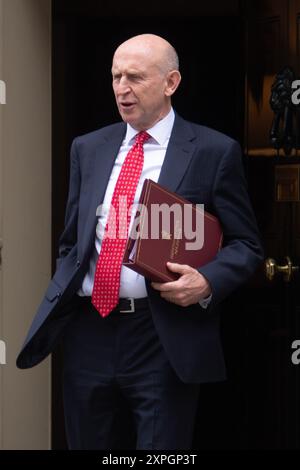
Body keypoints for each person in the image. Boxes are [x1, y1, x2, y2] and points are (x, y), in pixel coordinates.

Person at [17, 33, 263, 450]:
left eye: (134, 77)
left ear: (171, 82)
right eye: (115, 77)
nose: (121, 89)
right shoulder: (88, 148)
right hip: (89, 331)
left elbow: (247, 246)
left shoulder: (213, 151)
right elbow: (71, 242)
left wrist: (206, 282)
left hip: (161, 335)